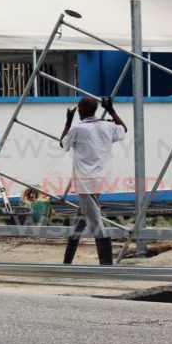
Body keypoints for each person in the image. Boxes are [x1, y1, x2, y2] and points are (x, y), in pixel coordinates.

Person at [59, 96, 127, 265]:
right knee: (80, 221)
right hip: (100, 180)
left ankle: (106, 265)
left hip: (84, 182)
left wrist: (68, 121)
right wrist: (111, 110)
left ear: (81, 111)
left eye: (79, 109)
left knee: (96, 224)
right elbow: (123, 129)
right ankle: (67, 262)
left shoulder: (77, 129)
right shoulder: (108, 126)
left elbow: (63, 143)